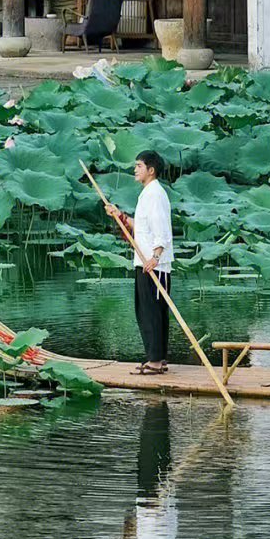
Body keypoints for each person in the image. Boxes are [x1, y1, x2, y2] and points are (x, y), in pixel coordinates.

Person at [107, 150, 174, 374]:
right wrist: (121, 216)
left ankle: (155, 361)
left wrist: (155, 257)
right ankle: (159, 358)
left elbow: (161, 230)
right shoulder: (148, 193)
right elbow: (143, 227)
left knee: (151, 312)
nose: (135, 169)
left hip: (153, 264)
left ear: (151, 170)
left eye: (139, 166)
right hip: (147, 261)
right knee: (151, 311)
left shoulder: (154, 194)